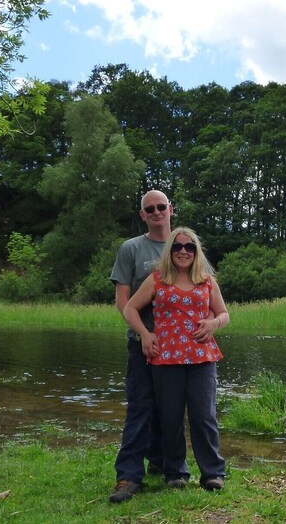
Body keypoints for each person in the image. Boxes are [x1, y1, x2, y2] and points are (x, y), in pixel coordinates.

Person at [121, 226, 229, 492]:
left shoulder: (207, 280)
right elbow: (130, 308)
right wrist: (145, 335)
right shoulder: (157, 279)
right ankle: (175, 472)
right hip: (165, 360)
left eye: (189, 246)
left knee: (204, 417)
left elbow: (225, 314)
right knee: (170, 418)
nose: (183, 251)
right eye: (178, 246)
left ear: (196, 251)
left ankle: (213, 473)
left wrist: (214, 323)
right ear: (170, 250)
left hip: (202, 358)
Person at [107, 190, 172, 503]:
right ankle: (129, 476)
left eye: (161, 206)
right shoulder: (131, 248)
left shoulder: (185, 245)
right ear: (143, 214)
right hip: (142, 344)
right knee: (140, 407)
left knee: (170, 409)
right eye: (151, 208)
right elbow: (123, 302)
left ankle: (163, 461)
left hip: (178, 349)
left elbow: (204, 289)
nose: (157, 212)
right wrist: (145, 334)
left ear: (170, 209)